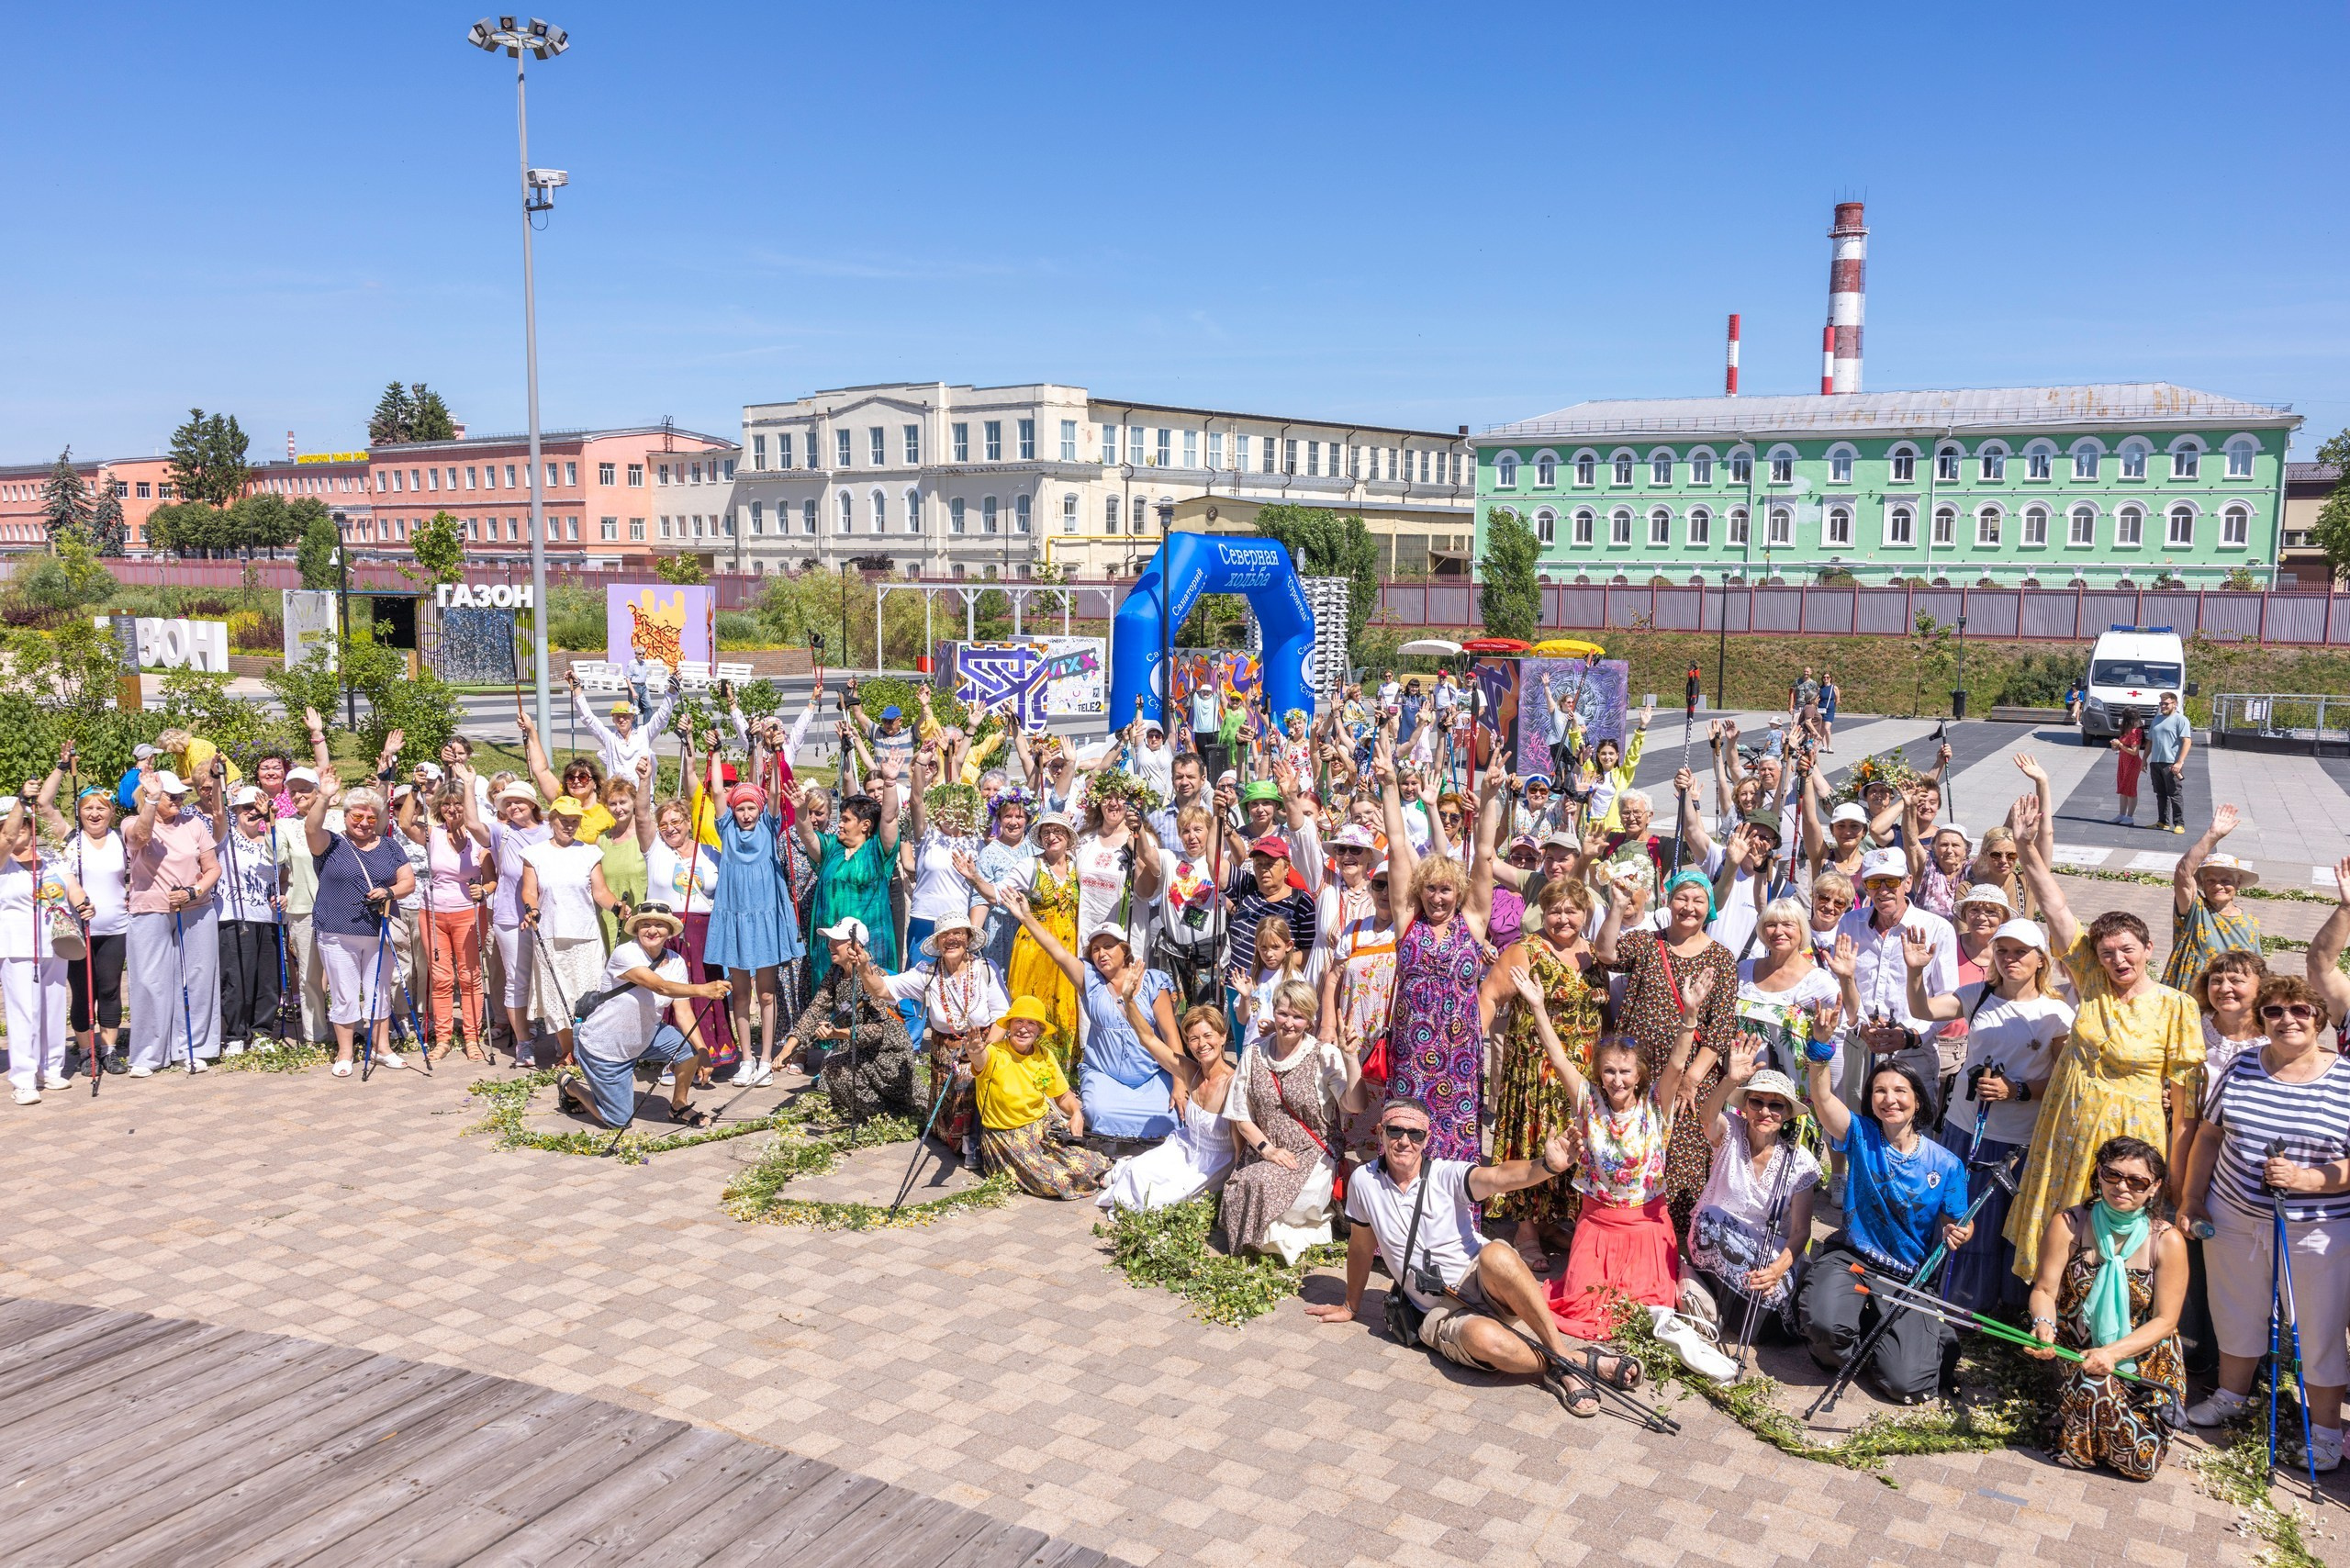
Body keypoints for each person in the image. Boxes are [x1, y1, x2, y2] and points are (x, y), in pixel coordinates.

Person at [1311, 1095, 1646, 1419]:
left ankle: (1560, 1356)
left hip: (1484, 1280)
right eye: (1395, 1131)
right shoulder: (1364, 1182)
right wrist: (1350, 1306)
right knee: (1483, 1340)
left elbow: (1499, 1176)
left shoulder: (1445, 1174)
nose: (1404, 1141)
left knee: (1498, 1253)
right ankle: (1576, 1362)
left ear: (1426, 1139)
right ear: (1381, 1133)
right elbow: (1359, 1245)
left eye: (1415, 1134)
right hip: (1440, 1309)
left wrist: (1546, 1166)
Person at [2009, 796, 2203, 1283]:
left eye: (2127, 951)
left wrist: (2177, 1181)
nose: (2118, 960)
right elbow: (2055, 905)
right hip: (2067, 1128)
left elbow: (2184, 1106)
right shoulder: (2090, 983)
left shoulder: (2176, 1006)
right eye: (2107, 952)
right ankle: (2050, 1311)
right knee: (2062, 1223)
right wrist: (2025, 848)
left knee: (2114, 1235)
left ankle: (2109, 1326)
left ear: (2148, 949)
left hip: (2128, 1139)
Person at [1513, 961, 1729, 1378]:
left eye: (1625, 1071)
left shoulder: (1656, 1107)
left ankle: (1678, 1275)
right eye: (1608, 1070)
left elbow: (1678, 1065)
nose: (1616, 1079)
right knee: (1582, 1305)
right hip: (1597, 1225)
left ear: (1639, 1074)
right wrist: (1538, 1007)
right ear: (1599, 1073)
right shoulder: (1588, 1101)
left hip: (1646, 1229)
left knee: (1646, 1311)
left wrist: (1690, 1015)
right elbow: (1557, 1056)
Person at [2178, 974, 2350, 1472]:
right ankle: (2233, 1396)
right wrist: (2193, 1198)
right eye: (2274, 1011)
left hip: (2317, 1228)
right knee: (2235, 1309)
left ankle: (2325, 1432)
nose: (2287, 1020)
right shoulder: (2241, 1064)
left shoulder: (2345, 1079)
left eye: (2299, 1010)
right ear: (2262, 1021)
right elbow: (2209, 1136)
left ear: (2319, 1018)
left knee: (2317, 1328)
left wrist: (2307, 1178)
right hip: (2234, 1213)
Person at [1903, 917, 2071, 1314]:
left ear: (2041, 960)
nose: (2010, 959)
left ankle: (1990, 1304)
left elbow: (2062, 1081)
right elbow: (1922, 1009)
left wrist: (2017, 1091)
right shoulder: (1977, 994)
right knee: (1958, 1214)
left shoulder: (2057, 1013)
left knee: (1997, 1222)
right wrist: (1915, 971)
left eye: (2020, 952)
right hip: (1965, 1127)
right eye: (2003, 950)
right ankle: (1950, 1293)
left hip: (2016, 1138)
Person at [1800, 1036, 1975, 1406]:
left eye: (1899, 1090)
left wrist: (1958, 1232)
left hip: (1907, 1276)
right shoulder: (1860, 1133)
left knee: (1906, 1385)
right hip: (1852, 1259)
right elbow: (1824, 1100)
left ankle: (1925, 1337)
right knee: (1824, 1332)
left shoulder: (1945, 1164)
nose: (1889, 1098)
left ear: (1918, 1099)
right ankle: (1858, 1326)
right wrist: (1819, 1049)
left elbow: (1961, 1221)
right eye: (1879, 1090)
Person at [2024, 1135, 2189, 1480]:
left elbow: (2166, 1319)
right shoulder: (2069, 1224)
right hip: (2076, 1350)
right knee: (2095, 1384)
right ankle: (2081, 1442)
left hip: (2144, 1358)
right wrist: (2043, 1324)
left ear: (2155, 1187)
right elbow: (2044, 1289)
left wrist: (2112, 1353)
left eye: (2137, 1181)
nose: (2122, 1187)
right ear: (2098, 1174)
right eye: (2112, 1175)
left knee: (2139, 1466)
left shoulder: (2167, 1239)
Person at [1592, 867, 1739, 1232]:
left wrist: (1692, 1077)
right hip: (1637, 1072)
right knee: (1635, 1148)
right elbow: (1606, 953)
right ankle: (1633, 1226)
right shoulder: (1647, 942)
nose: (1689, 907)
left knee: (1683, 1157)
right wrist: (1617, 906)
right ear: (1669, 901)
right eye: (1681, 898)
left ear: (1711, 907)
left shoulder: (1721, 958)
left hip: (1692, 1073)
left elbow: (1720, 1028)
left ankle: (1678, 1239)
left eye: (1698, 900)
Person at [1380, 744, 1500, 1163]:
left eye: (1446, 889)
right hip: (1411, 1048)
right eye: (1430, 888)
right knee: (1408, 1129)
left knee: (1457, 1133)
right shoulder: (1407, 922)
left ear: (1458, 893)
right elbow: (1397, 844)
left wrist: (1490, 797)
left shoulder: (1473, 923)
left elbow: (1484, 853)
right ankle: (1402, 1209)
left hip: (1461, 1050)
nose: (1437, 896)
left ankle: (1454, 1217)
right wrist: (1390, 786)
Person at [993, 886, 1181, 1144]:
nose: (1101, 953)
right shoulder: (1089, 980)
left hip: (1150, 1075)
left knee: (1172, 1115)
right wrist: (1026, 917)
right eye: (1095, 949)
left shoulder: (1153, 981)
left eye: (1108, 946)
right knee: (1096, 1112)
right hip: (1106, 1075)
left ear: (1124, 950)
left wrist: (1180, 1082)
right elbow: (1056, 951)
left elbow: (1171, 1035)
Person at [1480, 878, 1603, 1268]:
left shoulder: (1595, 955)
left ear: (1585, 914)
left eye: (1571, 910)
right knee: (1535, 1142)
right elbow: (1489, 996)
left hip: (1581, 1072)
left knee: (1573, 1145)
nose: (1563, 918)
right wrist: (1466, 1057)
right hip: (1534, 1069)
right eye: (1554, 910)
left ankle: (1553, 1222)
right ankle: (1527, 1230)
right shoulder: (1526, 950)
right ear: (1541, 913)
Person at [1217, 977, 1363, 1260]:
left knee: (1260, 1184)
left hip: (1312, 1153)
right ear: (1273, 1011)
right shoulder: (1254, 1053)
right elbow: (1241, 1116)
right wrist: (1267, 1150)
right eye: (1283, 1013)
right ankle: (1256, 1245)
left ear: (1309, 1021)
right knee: (1243, 1183)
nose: (1288, 1022)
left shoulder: (1324, 1054)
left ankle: (1263, 1243)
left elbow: (1355, 1105)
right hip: (1264, 1150)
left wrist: (1351, 1058)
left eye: (1298, 1016)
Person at [1684, 1039, 1818, 1340]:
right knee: (1708, 1221)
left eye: (1775, 1105)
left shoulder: (1800, 1161)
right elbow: (1707, 1117)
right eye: (1756, 1102)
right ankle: (1729, 1301)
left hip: (1768, 1251)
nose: (1765, 1112)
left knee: (1772, 1293)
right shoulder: (1730, 1131)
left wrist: (1777, 1269)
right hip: (1719, 1239)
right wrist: (1731, 1080)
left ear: (1786, 1114)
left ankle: (1729, 1303)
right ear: (1744, 1106)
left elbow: (1800, 1232)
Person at [554, 904, 732, 1129]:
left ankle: (679, 1106)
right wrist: (704, 990)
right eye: (645, 925)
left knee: (690, 1049)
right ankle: (571, 1086)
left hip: (646, 1036)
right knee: (617, 1121)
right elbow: (661, 987)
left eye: (659, 925)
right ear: (636, 930)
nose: (652, 930)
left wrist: (704, 1052)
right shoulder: (626, 953)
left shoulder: (676, 961)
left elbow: (684, 1013)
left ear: (670, 931)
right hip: (606, 1048)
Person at [303, 772, 416, 1077]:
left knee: (378, 990)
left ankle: (382, 1048)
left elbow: (408, 882)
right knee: (344, 992)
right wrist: (324, 796)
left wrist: (390, 891)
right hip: (337, 930)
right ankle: (345, 1053)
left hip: (378, 931)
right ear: (346, 816)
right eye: (358, 815)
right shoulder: (330, 843)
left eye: (371, 817)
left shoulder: (390, 847)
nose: (364, 822)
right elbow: (310, 827)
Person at [1831, 846, 1956, 1118]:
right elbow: (1838, 985)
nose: (1883, 890)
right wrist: (1859, 1026)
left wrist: (1912, 1036)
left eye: (1892, 881)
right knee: (1860, 1129)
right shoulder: (1850, 924)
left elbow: (1949, 999)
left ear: (1908, 882)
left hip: (1914, 1053)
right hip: (1860, 1047)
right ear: (1865, 886)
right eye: (1875, 882)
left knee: (1911, 1133)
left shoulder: (1937, 929)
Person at [960, 993, 1112, 1198]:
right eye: (1019, 1021)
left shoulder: (1044, 1056)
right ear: (1009, 1025)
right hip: (1007, 1136)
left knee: (1087, 1159)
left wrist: (1076, 1113)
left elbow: (1063, 1096)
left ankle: (1106, 1174)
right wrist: (974, 1051)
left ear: (1039, 1030)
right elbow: (980, 1060)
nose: (1023, 1028)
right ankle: (1090, 1179)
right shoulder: (996, 1053)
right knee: (1050, 1181)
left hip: (1042, 1126)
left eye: (1031, 1023)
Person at [122, 768, 222, 1075]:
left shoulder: (193, 823)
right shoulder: (132, 822)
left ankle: (192, 1048)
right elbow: (140, 837)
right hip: (150, 911)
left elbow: (212, 868)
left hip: (196, 909)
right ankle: (149, 1055)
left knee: (198, 977)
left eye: (181, 795)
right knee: (149, 981)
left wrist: (194, 891)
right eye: (172, 795)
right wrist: (152, 800)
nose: (179, 800)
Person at [878, 912, 1006, 1144]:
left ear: (968, 938)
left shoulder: (986, 968)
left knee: (969, 1079)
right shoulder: (926, 973)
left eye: (958, 933)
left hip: (985, 1045)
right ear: (937, 943)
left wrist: (980, 1050)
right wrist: (862, 967)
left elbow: (1002, 1018)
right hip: (945, 1053)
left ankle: (975, 1142)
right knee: (949, 1118)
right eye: (944, 935)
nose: (951, 939)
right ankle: (957, 1137)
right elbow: (883, 990)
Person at [1097, 1002, 1237, 1214]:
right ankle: (1125, 1169)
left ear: (1223, 1037)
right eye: (1194, 1039)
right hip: (1184, 1147)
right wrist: (1128, 999)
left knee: (1158, 1200)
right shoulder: (1192, 1072)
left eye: (1208, 1035)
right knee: (1138, 1171)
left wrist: (1235, 1186)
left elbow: (1241, 1145)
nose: (1202, 1044)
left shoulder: (1233, 1083)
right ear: (1188, 1044)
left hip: (1214, 1164)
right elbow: (1149, 1039)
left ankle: (1122, 1174)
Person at [39, 755, 129, 1075]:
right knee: (81, 992)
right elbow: (44, 802)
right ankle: (86, 1050)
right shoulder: (69, 837)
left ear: (111, 812)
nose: (95, 813)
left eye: (101, 807)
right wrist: (62, 767)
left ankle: (109, 1050)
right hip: (78, 930)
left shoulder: (121, 838)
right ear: (79, 811)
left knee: (109, 989)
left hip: (116, 927)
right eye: (88, 807)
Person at [0, 790, 92, 1105]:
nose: (18, 828)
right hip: (17, 946)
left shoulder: (51, 858)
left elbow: (74, 888)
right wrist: (22, 804)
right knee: (24, 1010)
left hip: (56, 941)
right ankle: (23, 1078)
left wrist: (84, 905)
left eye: (26, 823)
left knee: (53, 1006)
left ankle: (51, 1068)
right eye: (12, 824)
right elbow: (8, 837)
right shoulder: (2, 861)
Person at [519, 795, 621, 1069]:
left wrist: (617, 907)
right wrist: (531, 908)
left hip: (586, 936)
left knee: (588, 996)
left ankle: (587, 1049)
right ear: (551, 820)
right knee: (558, 996)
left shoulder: (589, 852)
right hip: (550, 934)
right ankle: (567, 1050)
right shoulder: (535, 854)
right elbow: (530, 890)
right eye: (564, 820)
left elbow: (600, 892)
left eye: (574, 821)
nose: (569, 826)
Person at [779, 918, 919, 1119]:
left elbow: (878, 1030)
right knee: (829, 1074)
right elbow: (815, 1010)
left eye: (837, 940)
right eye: (830, 940)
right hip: (857, 1050)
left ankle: (887, 1113)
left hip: (886, 1055)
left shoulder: (871, 977)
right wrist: (787, 1050)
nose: (830, 945)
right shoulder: (835, 973)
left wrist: (837, 1033)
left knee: (832, 1071)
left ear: (856, 947)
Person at [400, 769, 491, 1061]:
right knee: (440, 978)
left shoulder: (479, 839)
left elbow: (491, 879)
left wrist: (484, 890)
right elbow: (404, 823)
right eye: (446, 804)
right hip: (434, 913)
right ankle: (442, 1038)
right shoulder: (432, 835)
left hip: (468, 914)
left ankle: (472, 1038)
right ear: (439, 807)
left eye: (458, 803)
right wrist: (415, 789)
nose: (452, 809)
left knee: (470, 977)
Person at [798, 745, 900, 986]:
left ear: (865, 825)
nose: (839, 825)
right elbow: (807, 835)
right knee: (828, 1002)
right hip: (829, 948)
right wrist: (800, 810)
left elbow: (888, 818)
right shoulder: (832, 848)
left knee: (870, 1004)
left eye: (845, 820)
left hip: (870, 945)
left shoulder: (878, 851)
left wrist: (890, 782)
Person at [211, 781, 283, 1057]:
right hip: (233, 915)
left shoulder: (273, 839)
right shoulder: (225, 837)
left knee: (267, 978)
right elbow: (217, 814)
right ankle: (236, 1033)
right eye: (246, 808)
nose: (252, 813)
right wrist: (218, 779)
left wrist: (283, 894)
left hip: (268, 917)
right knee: (236, 978)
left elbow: (284, 876)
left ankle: (263, 1030)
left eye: (257, 808)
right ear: (236, 811)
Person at [485, 781, 551, 1063]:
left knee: (550, 975)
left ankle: (562, 1039)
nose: (513, 807)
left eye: (519, 802)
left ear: (533, 804)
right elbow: (473, 824)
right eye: (508, 804)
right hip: (510, 918)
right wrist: (463, 779)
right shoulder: (502, 832)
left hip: (550, 916)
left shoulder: (550, 830)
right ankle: (523, 1042)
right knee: (517, 979)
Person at [2163, 806, 2260, 991]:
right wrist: (2212, 836)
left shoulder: (2250, 924)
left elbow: (2257, 971)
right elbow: (2183, 872)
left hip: (2229, 1003)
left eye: (2226, 880)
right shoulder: (2195, 910)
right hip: (2191, 1000)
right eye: (2211, 880)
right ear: (2201, 883)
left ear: (2238, 883)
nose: (2218, 886)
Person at [565, 665, 677, 780]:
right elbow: (588, 718)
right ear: (613, 719)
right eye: (618, 716)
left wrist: (672, 689)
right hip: (616, 795)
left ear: (632, 718)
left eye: (625, 716)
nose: (621, 719)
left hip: (641, 795)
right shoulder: (610, 738)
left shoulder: (644, 734)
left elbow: (662, 717)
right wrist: (577, 686)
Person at [2145, 691, 2193, 834]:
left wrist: (2179, 762)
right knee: (2160, 794)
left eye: (2166, 703)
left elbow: (2187, 741)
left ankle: (2179, 823)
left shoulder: (2181, 719)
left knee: (2175, 794)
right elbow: (2150, 741)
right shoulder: (2157, 720)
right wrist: (2144, 760)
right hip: (2156, 762)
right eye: (2161, 703)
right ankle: (2162, 822)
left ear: (2175, 704)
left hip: (2171, 763)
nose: (2163, 706)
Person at [2110, 716, 2146, 827]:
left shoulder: (2136, 731)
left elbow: (2135, 752)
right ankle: (2121, 814)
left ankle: (2129, 816)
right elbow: (2118, 749)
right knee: (2123, 788)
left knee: (2130, 789)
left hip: (2132, 763)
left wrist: (2120, 744)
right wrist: (2115, 745)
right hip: (2123, 761)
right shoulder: (2126, 731)